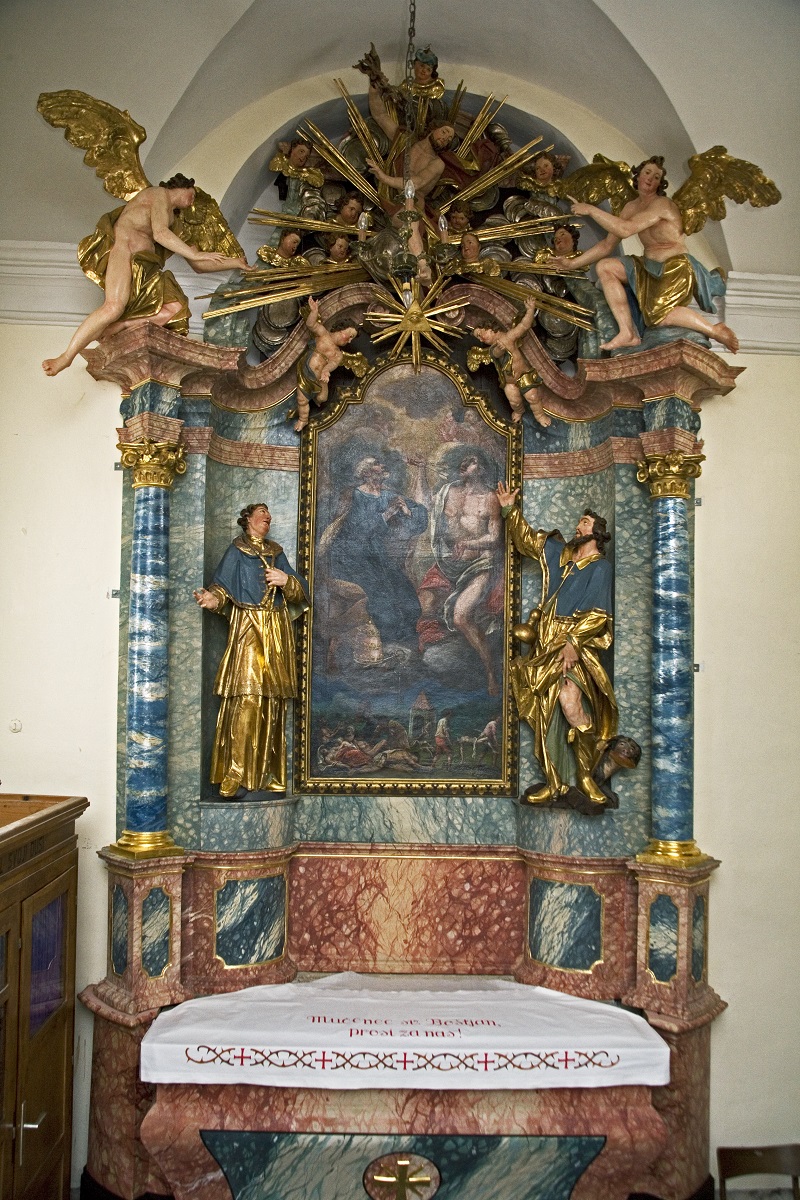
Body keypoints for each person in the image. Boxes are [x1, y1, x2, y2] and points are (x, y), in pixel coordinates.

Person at [42, 174, 249, 376]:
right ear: (181, 186)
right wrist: (194, 251)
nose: (193, 200)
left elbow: (198, 265)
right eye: (192, 193)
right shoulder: (159, 194)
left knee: (176, 308)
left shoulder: (173, 221)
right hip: (126, 253)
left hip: (146, 269)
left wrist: (235, 263)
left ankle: (123, 325)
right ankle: (66, 357)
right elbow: (159, 233)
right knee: (113, 306)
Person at [496, 484, 618, 810]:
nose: (578, 527)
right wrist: (510, 510)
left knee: (570, 701)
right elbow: (526, 541)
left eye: (585, 524)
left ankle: (587, 775)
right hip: (545, 643)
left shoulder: (599, 568)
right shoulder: (561, 555)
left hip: (572, 643)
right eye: (580, 522)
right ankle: (554, 783)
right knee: (545, 715)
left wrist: (573, 643)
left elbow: (597, 613)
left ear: (597, 534)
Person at [549, 156, 736, 353]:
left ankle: (715, 330)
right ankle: (627, 332)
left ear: (660, 183)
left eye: (657, 177)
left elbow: (626, 229)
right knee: (606, 267)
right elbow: (606, 245)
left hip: (674, 267)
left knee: (660, 316)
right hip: (647, 266)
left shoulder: (662, 204)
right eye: (647, 173)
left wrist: (591, 210)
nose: (651, 179)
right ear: (638, 175)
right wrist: (572, 264)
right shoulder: (630, 207)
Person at [194, 503, 308, 798]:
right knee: (247, 697)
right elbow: (222, 588)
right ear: (247, 520)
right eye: (261, 513)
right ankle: (235, 772)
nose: (267, 517)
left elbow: (300, 590)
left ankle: (268, 773)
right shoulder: (237, 551)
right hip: (247, 626)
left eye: (269, 514)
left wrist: (287, 581)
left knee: (271, 701)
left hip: (275, 628)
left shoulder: (276, 552)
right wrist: (212, 599)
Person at [417, 452, 503, 695]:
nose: (466, 463)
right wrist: (422, 471)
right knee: (426, 601)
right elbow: (424, 505)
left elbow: (495, 537)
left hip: (479, 565)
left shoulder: (490, 498)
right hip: (448, 564)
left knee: (461, 616)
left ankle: (490, 672)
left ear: (483, 467)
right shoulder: (448, 492)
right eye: (464, 461)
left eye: (473, 459)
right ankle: (444, 660)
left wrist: (469, 544)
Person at [325, 455, 428, 648]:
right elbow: (358, 531)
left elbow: (420, 519)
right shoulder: (354, 495)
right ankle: (390, 649)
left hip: (377, 557)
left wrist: (407, 510)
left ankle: (408, 651)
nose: (382, 466)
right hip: (351, 557)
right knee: (384, 604)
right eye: (376, 464)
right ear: (365, 473)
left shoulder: (388, 496)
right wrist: (388, 513)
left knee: (409, 601)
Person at [472, 296, 551, 427]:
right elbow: (496, 353)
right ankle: (519, 412)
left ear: (489, 328)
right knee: (514, 401)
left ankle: (540, 415)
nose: (480, 339)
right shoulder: (492, 349)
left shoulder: (509, 336)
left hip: (523, 375)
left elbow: (524, 325)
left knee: (532, 397)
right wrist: (499, 348)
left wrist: (530, 309)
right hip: (509, 381)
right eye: (478, 338)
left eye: (480, 334)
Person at [294, 297, 359, 433]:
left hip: (319, 376)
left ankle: (320, 389)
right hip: (306, 372)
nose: (350, 341)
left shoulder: (338, 354)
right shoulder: (323, 334)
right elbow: (311, 324)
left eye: (352, 338)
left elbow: (332, 364)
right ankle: (303, 419)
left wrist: (326, 371)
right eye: (350, 335)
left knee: (322, 398)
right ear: (342, 329)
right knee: (302, 400)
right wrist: (314, 311)